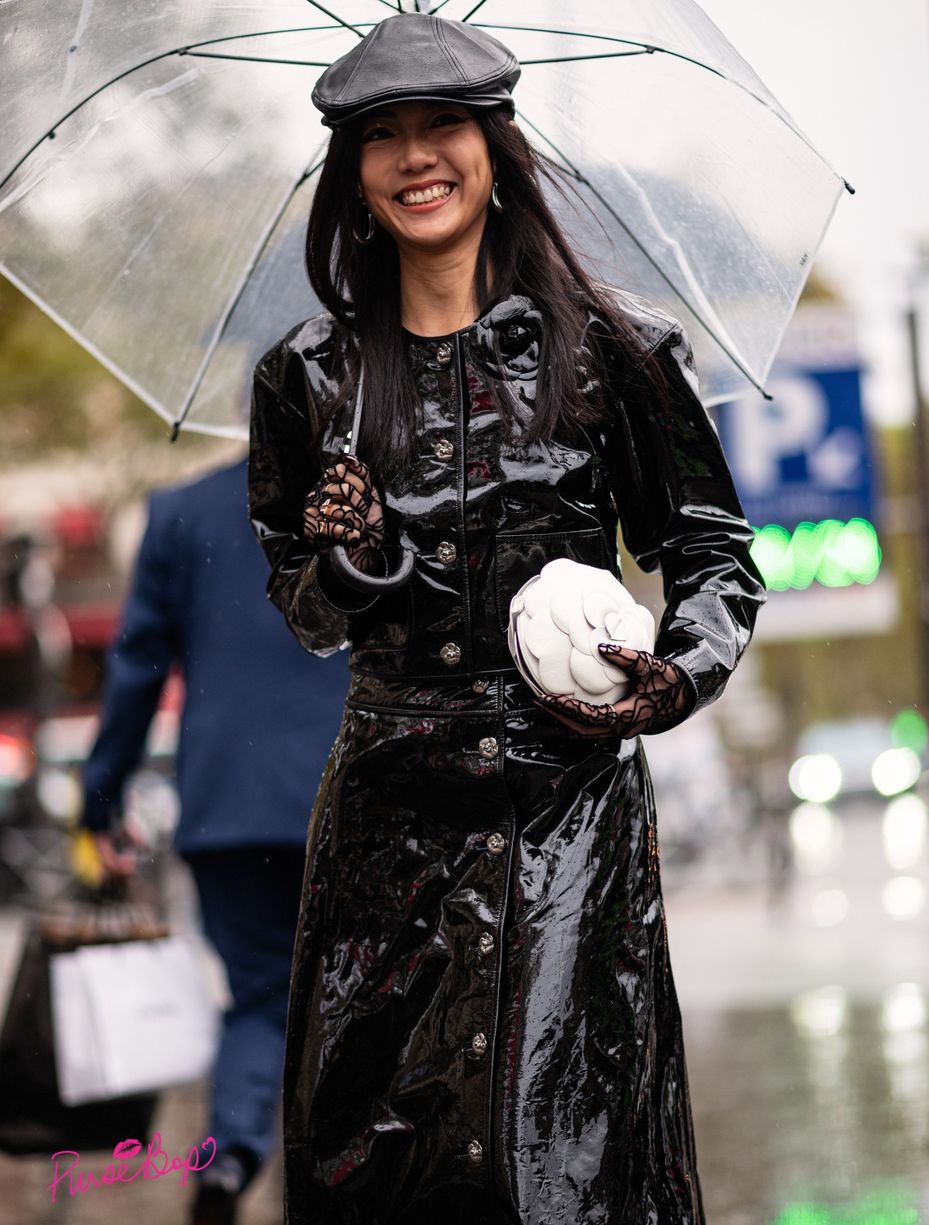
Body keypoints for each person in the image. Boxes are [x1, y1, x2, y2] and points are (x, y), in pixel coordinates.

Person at [248, 12, 766, 1223]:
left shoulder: (616, 354)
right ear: (352, 171)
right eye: (384, 136)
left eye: (443, 128)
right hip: (389, 812)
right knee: (375, 1163)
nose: (416, 158)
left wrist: (675, 671)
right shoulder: (309, 380)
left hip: (567, 806)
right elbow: (305, 610)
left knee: (561, 1167)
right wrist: (356, 562)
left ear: (495, 148)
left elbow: (711, 553)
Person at [80, 457, 351, 1225]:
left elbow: (136, 664)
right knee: (370, 998)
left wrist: (100, 802)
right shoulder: (375, 499)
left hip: (229, 803)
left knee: (260, 997)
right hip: (354, 796)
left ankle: (230, 1158)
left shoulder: (182, 511)